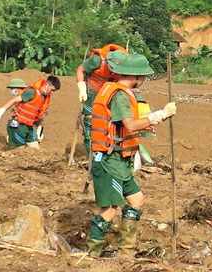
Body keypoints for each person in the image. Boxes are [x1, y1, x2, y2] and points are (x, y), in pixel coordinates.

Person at [86, 54, 176, 257]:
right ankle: (92, 254)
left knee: (137, 200)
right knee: (109, 210)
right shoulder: (119, 95)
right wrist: (158, 116)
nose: (143, 81)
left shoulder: (117, 90)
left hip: (120, 159)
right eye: (143, 77)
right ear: (136, 77)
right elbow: (130, 125)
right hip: (109, 161)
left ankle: (125, 251)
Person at [75, 44, 128, 155]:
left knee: (110, 122)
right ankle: (92, 154)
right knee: (90, 122)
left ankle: (108, 151)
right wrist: (81, 86)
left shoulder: (125, 64)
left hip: (109, 94)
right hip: (92, 93)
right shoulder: (97, 60)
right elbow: (80, 70)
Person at [0, 76, 61, 149]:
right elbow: (14, 100)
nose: (52, 93)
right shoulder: (32, 92)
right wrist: (0, 112)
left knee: (36, 150)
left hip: (29, 127)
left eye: (54, 91)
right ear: (46, 85)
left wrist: (38, 129)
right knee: (18, 152)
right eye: (52, 90)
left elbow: (37, 115)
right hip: (18, 126)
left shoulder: (45, 99)